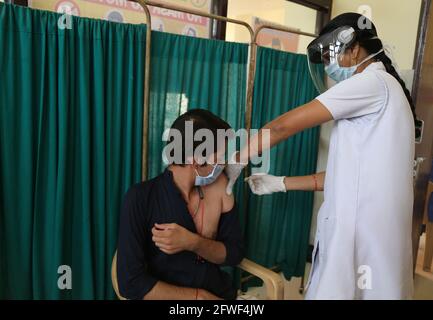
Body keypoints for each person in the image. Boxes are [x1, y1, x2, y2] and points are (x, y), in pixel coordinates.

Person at [225, 13, 415, 299]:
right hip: (365, 239)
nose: (329, 67)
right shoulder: (382, 91)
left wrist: (238, 159)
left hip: (361, 241)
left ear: (353, 48)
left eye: (330, 57)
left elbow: (281, 127)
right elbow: (346, 178)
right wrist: (281, 183)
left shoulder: (372, 84)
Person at [117, 109, 244, 300]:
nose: (223, 163)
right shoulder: (140, 198)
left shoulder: (220, 188)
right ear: (196, 159)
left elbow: (234, 254)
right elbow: (130, 283)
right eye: (219, 156)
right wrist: (197, 297)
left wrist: (192, 242)